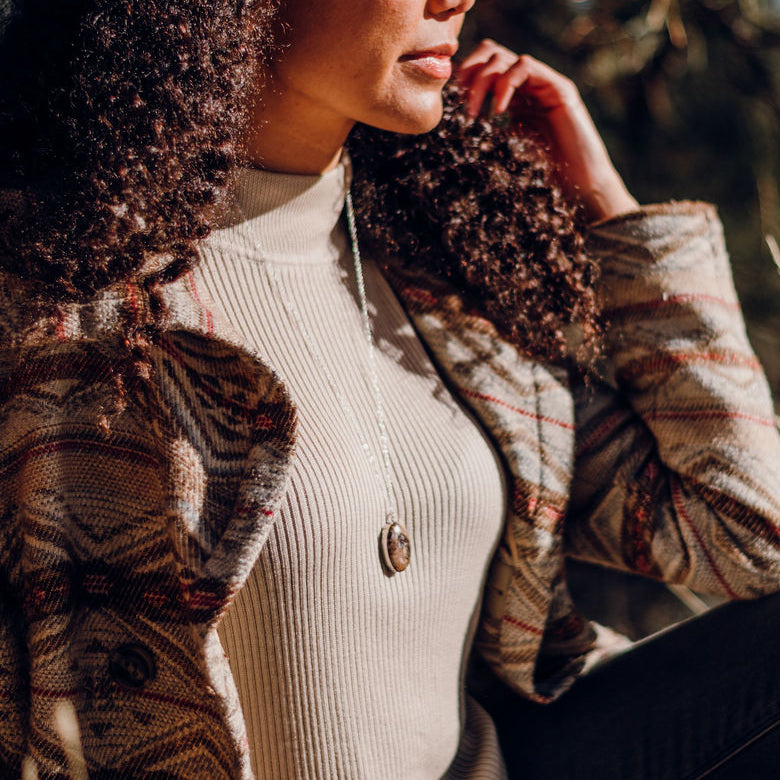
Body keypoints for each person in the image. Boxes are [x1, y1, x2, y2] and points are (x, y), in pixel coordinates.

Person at [1, 0, 779, 779]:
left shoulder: (445, 288)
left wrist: (612, 210)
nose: (457, 0)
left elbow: (748, 538)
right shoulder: (56, 304)